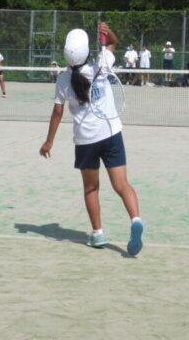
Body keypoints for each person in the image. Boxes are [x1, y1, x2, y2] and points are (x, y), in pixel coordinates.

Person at [39, 24, 144, 256]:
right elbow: (113, 43)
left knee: (90, 188)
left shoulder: (63, 80)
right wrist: (106, 33)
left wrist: (49, 142)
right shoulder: (101, 64)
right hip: (111, 132)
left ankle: (97, 234)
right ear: (87, 51)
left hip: (86, 140)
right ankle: (135, 219)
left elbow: (57, 113)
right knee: (122, 185)